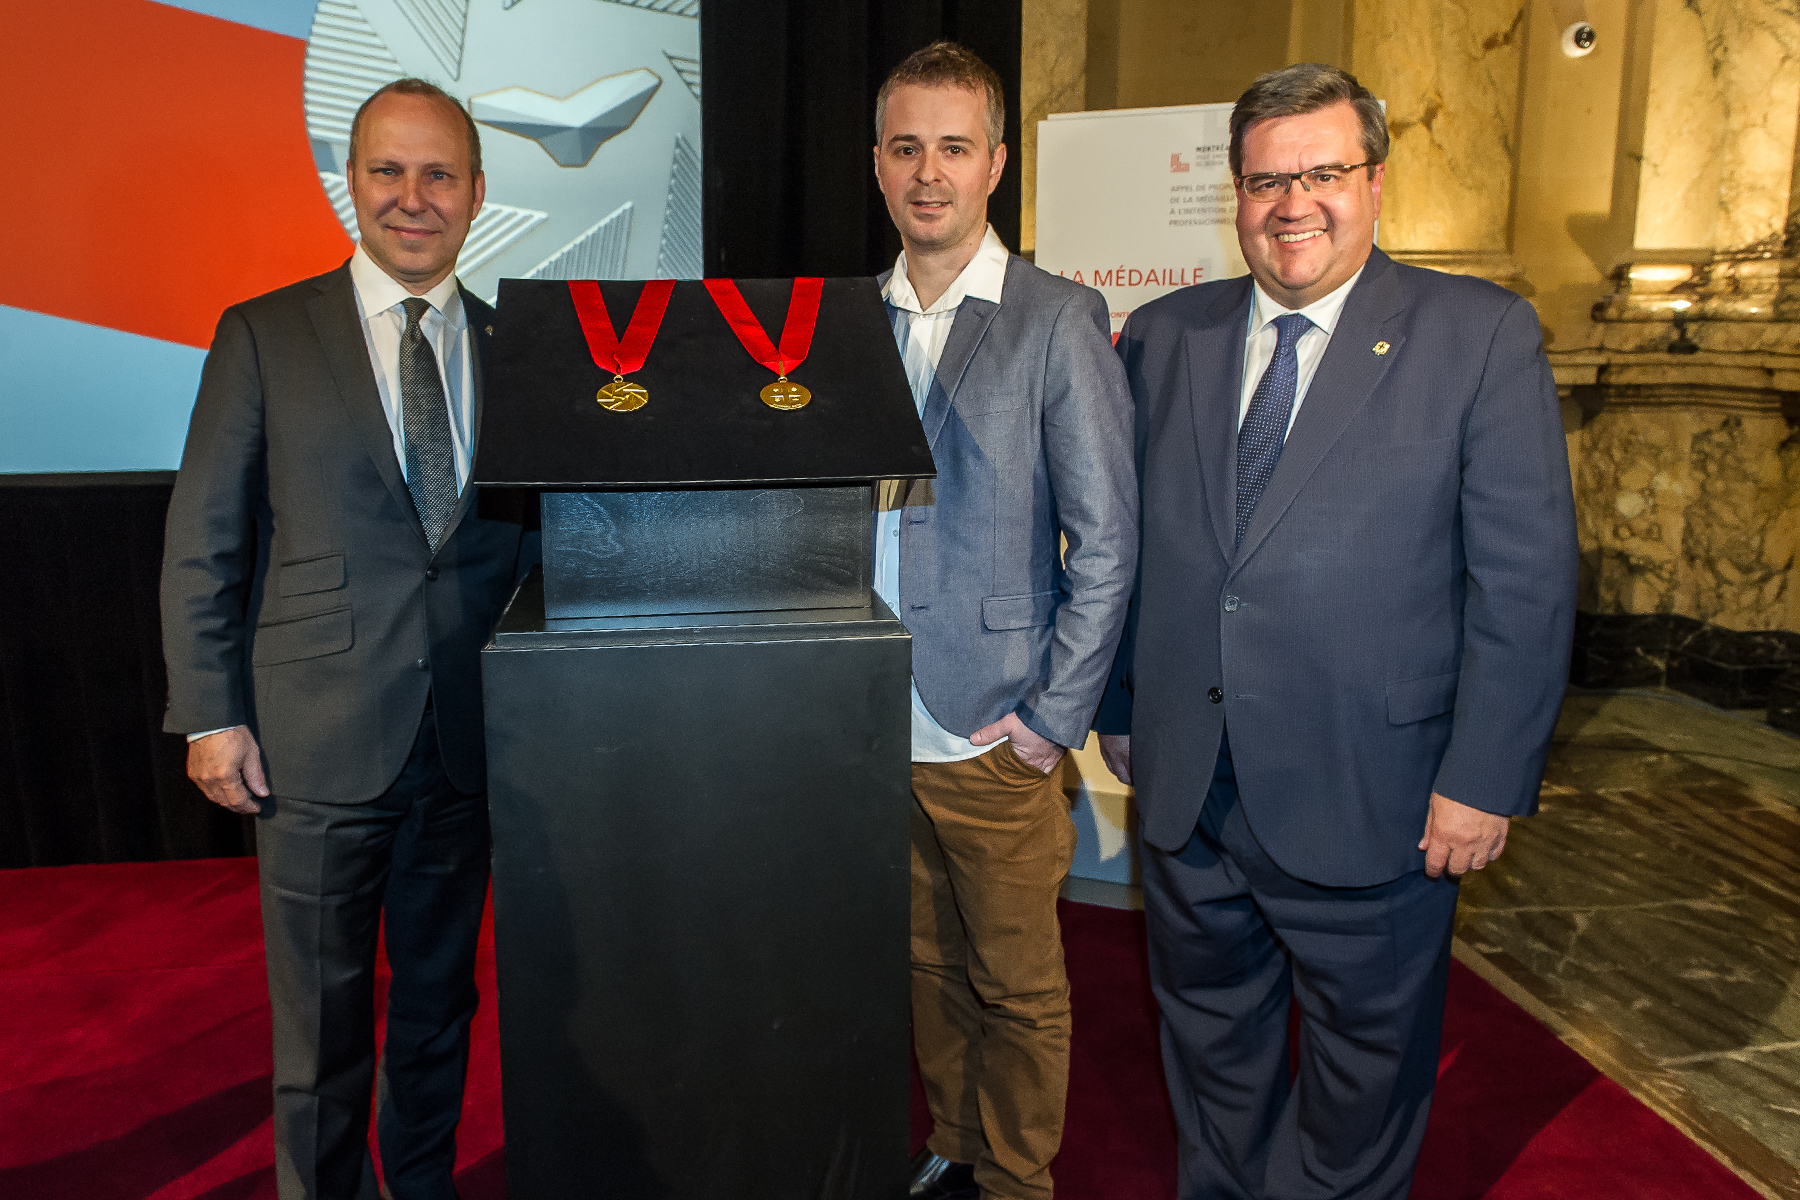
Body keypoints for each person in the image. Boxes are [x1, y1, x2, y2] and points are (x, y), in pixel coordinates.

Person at [1095, 63, 1577, 1200]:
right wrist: (1121, 708)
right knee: (1211, 1053)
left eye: (1322, 173)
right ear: (1235, 192)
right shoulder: (1166, 335)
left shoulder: (1481, 337)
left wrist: (1485, 779)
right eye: (1266, 179)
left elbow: (1525, 580)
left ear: (1372, 179)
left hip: (1382, 796)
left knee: (1363, 1085)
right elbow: (1131, 549)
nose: (1292, 203)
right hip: (1192, 792)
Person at [160, 79, 535, 1200]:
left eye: (438, 175)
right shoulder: (264, 336)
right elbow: (204, 539)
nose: (412, 198)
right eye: (388, 171)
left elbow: (536, 552)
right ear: (349, 183)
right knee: (319, 1028)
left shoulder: (523, 352)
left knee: (437, 1009)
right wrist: (212, 713)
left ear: (476, 193)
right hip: (312, 741)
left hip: (467, 742)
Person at [871, 42, 1137, 1200]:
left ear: (996, 164)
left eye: (954, 148)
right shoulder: (842, 323)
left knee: (1022, 984)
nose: (930, 173)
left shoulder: (1056, 320)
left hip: (996, 730)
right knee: (927, 965)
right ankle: (961, 1144)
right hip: (872, 723)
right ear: (877, 164)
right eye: (907, 147)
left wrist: (1049, 719)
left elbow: (1110, 541)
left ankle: (1020, 1178)